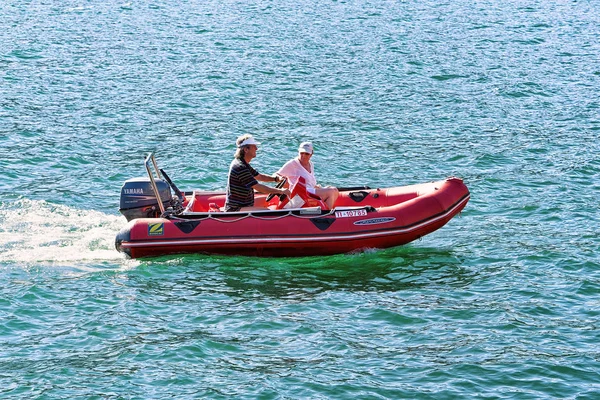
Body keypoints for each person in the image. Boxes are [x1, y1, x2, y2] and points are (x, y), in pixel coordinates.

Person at [225, 134, 291, 212]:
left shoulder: (243, 164)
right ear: (246, 149)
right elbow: (258, 187)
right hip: (235, 209)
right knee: (267, 212)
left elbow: (259, 177)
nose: (256, 148)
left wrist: (276, 179)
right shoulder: (240, 167)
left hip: (244, 204)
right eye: (254, 146)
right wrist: (280, 191)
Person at [275, 142, 339, 209]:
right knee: (330, 192)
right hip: (299, 194)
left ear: (311, 154)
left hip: (308, 191)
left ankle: (324, 210)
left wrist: (317, 187)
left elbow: (309, 182)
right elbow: (276, 174)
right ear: (298, 152)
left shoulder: (311, 164)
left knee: (334, 189)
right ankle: (327, 215)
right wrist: (280, 178)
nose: (304, 156)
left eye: (306, 154)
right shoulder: (292, 164)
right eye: (301, 153)